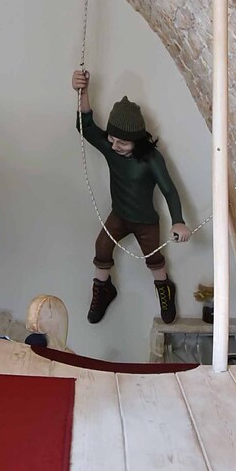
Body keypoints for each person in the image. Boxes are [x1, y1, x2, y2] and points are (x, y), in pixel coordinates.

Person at [72, 69, 191, 325]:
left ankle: (165, 289)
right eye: (112, 139)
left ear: (137, 141)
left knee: (154, 259)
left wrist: (178, 221)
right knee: (102, 246)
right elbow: (85, 126)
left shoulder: (151, 159)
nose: (115, 146)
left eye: (123, 143)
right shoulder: (111, 148)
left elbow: (169, 190)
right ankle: (103, 290)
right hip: (119, 216)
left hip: (145, 221)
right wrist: (82, 91)